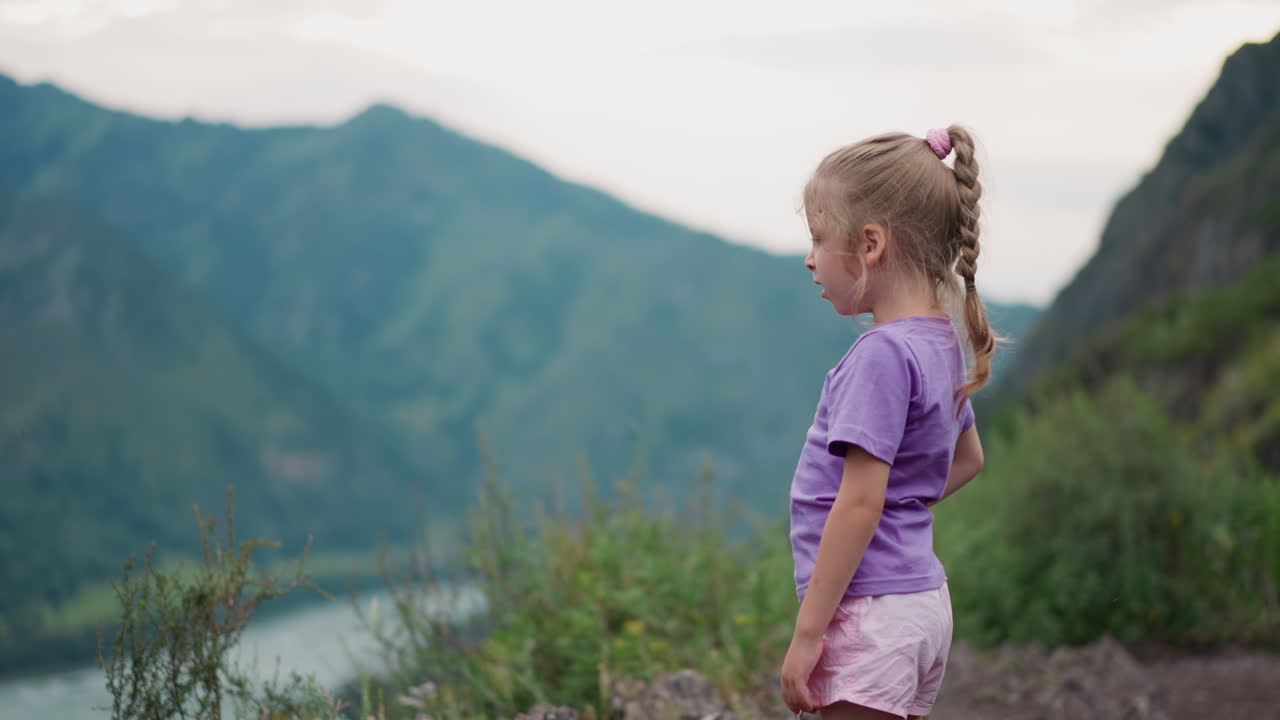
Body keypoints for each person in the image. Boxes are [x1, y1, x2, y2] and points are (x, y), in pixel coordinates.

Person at [779, 127, 995, 719]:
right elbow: (969, 459)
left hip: (871, 609)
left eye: (819, 238)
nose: (810, 257)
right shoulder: (941, 345)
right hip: (922, 602)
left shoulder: (881, 355)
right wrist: (904, 502)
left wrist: (807, 634)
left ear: (870, 243)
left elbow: (859, 504)